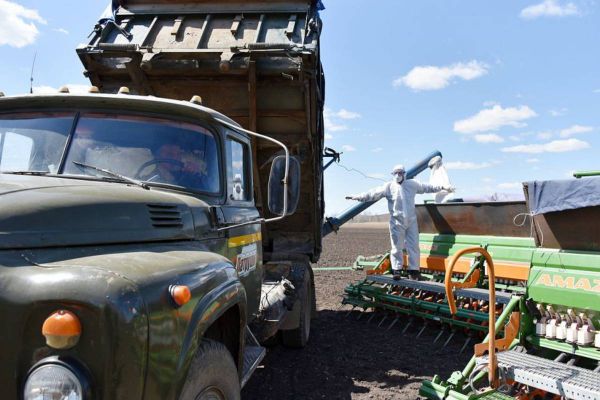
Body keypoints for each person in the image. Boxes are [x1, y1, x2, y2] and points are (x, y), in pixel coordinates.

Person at [346, 164, 454, 280]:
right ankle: (397, 270)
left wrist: (443, 187)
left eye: (400, 173)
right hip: (396, 222)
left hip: (411, 221)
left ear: (404, 174)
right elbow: (373, 193)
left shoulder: (412, 184)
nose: (398, 175)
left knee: (413, 246)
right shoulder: (388, 187)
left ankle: (414, 271)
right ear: (393, 174)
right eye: (396, 173)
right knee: (397, 247)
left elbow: (427, 187)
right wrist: (357, 197)